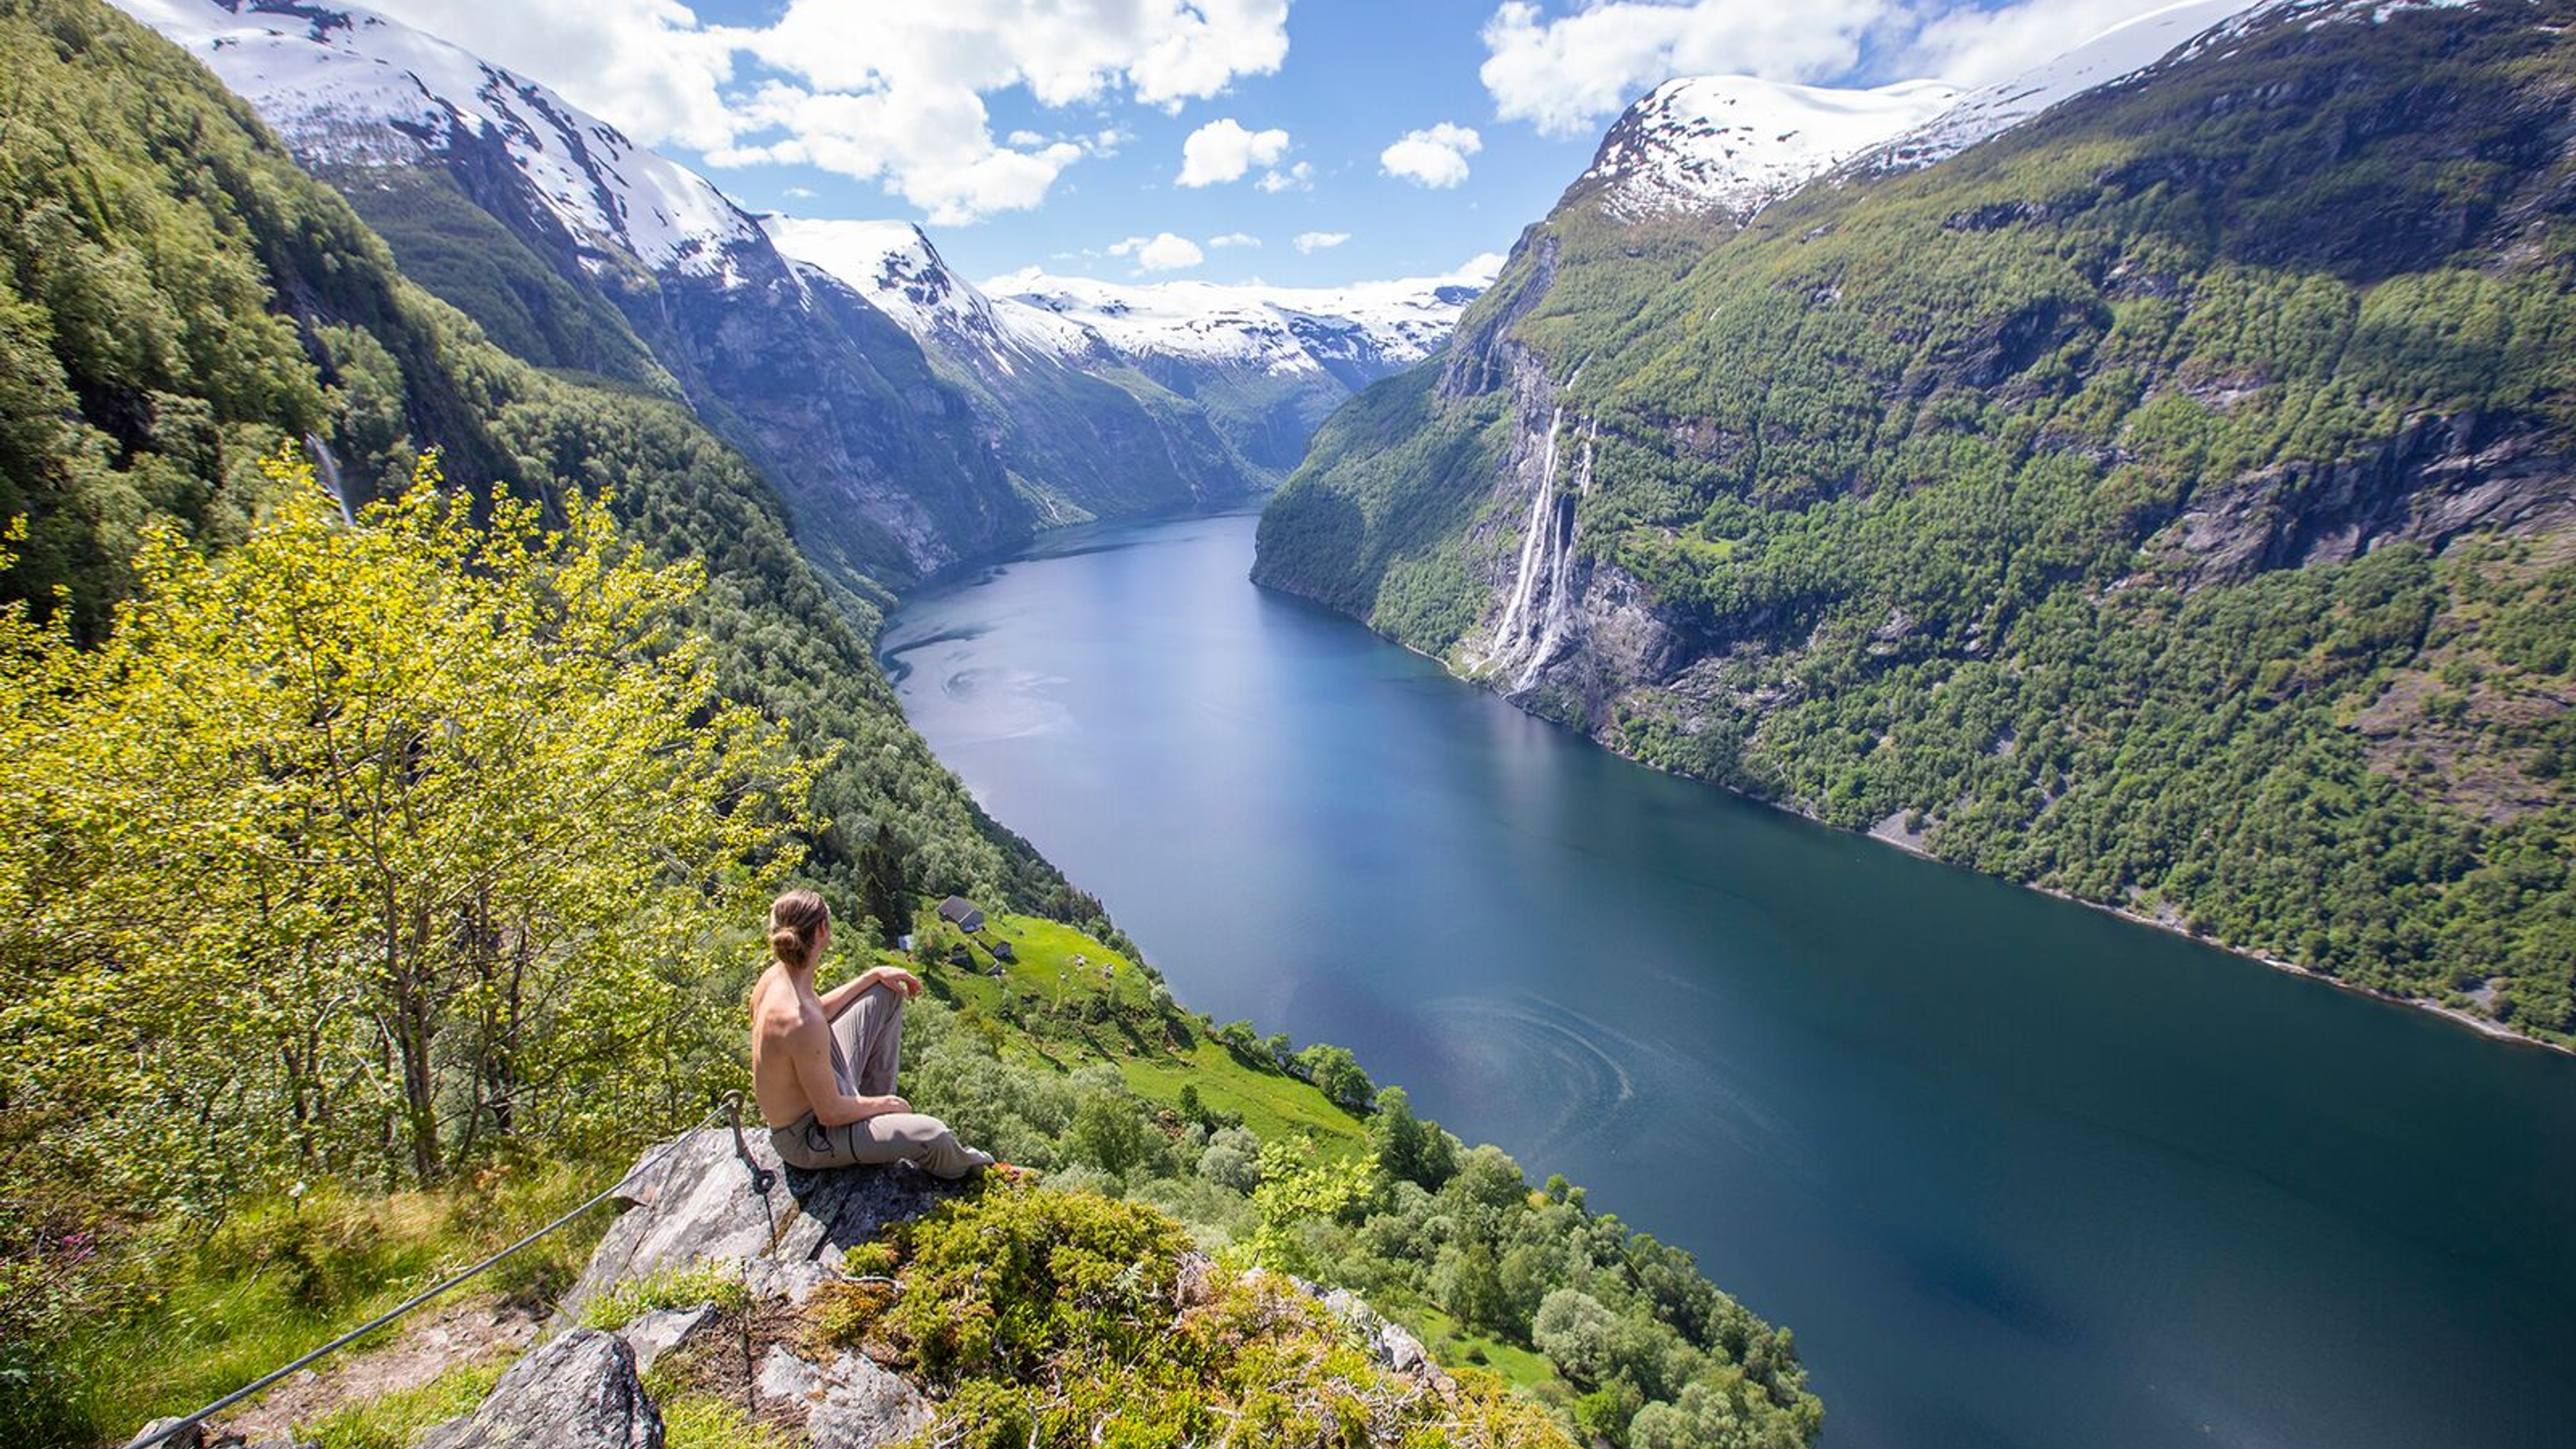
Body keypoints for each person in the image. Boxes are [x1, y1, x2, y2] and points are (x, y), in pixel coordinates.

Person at [749, 888, 995, 1177]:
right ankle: (982, 1170)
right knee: (933, 1136)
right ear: (822, 929)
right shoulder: (799, 1020)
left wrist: (872, 975)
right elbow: (830, 1113)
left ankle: (875, 1121)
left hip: (823, 1089)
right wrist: (890, 1104)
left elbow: (818, 1013)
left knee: (884, 992)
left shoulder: (779, 976)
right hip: (811, 1134)